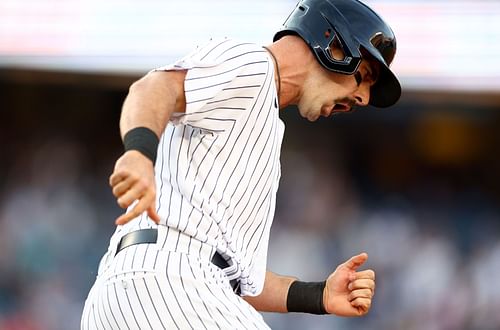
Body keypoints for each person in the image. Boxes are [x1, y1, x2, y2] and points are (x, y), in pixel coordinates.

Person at [81, 0, 401, 328]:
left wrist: (318, 296)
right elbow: (154, 87)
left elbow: (233, 277)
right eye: (362, 77)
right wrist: (138, 152)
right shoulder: (256, 67)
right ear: (333, 45)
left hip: (149, 289)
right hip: (168, 282)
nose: (362, 98)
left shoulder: (263, 121)